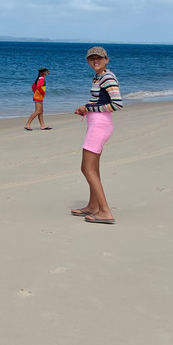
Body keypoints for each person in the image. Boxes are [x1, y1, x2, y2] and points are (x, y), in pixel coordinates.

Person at [71, 47, 122, 224]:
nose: (95, 61)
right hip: (97, 124)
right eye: (91, 58)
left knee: (86, 168)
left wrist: (89, 108)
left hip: (99, 126)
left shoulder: (108, 77)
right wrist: (85, 108)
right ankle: (93, 206)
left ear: (106, 59)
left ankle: (105, 212)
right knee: (94, 168)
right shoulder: (99, 77)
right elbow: (100, 102)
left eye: (98, 58)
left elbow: (117, 105)